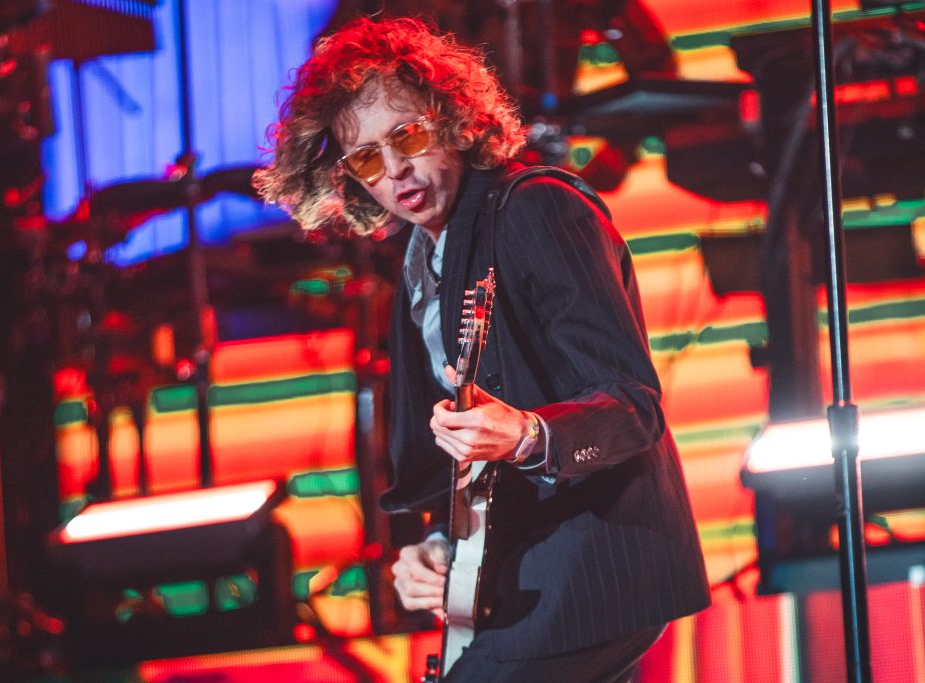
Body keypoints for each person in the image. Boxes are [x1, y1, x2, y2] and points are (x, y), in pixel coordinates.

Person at [255, 17, 708, 682]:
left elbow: (632, 406)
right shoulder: (422, 257)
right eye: (367, 159)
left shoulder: (537, 208)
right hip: (521, 579)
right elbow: (467, 457)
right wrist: (438, 545)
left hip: (595, 571)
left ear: (453, 121)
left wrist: (527, 434)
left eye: (407, 136)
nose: (395, 170)